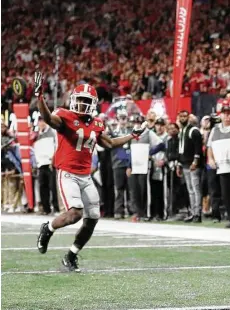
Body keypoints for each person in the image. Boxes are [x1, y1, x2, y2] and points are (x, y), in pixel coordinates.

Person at [35, 71, 147, 272]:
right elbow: (48, 118)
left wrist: (131, 135)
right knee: (75, 214)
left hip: (85, 175)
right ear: (73, 100)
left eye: (87, 101)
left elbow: (110, 142)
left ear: (94, 103)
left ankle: (71, 256)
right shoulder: (64, 115)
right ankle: (48, 228)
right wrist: (40, 97)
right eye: (80, 100)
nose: (83, 104)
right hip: (67, 173)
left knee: (93, 218)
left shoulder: (96, 123)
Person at [207, 102, 230, 228]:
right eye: (224, 114)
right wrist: (210, 159)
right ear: (220, 115)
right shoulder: (215, 129)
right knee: (226, 193)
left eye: (228, 113)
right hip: (223, 167)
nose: (226, 116)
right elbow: (210, 146)